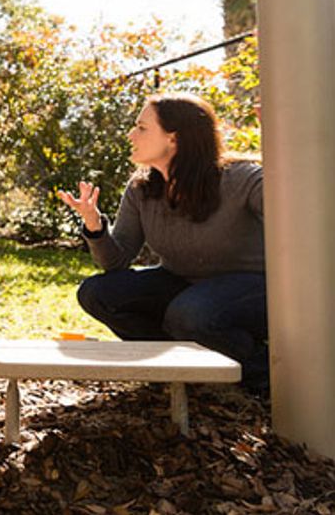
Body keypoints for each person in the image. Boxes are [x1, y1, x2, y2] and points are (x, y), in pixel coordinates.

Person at [58, 93, 268, 395]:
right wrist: (94, 224)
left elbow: (292, 204)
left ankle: (260, 376)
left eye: (141, 128)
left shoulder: (242, 179)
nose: (131, 134)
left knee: (189, 313)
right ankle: (182, 371)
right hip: (184, 285)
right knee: (98, 293)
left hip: (252, 289)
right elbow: (116, 262)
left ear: (174, 138)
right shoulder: (142, 187)